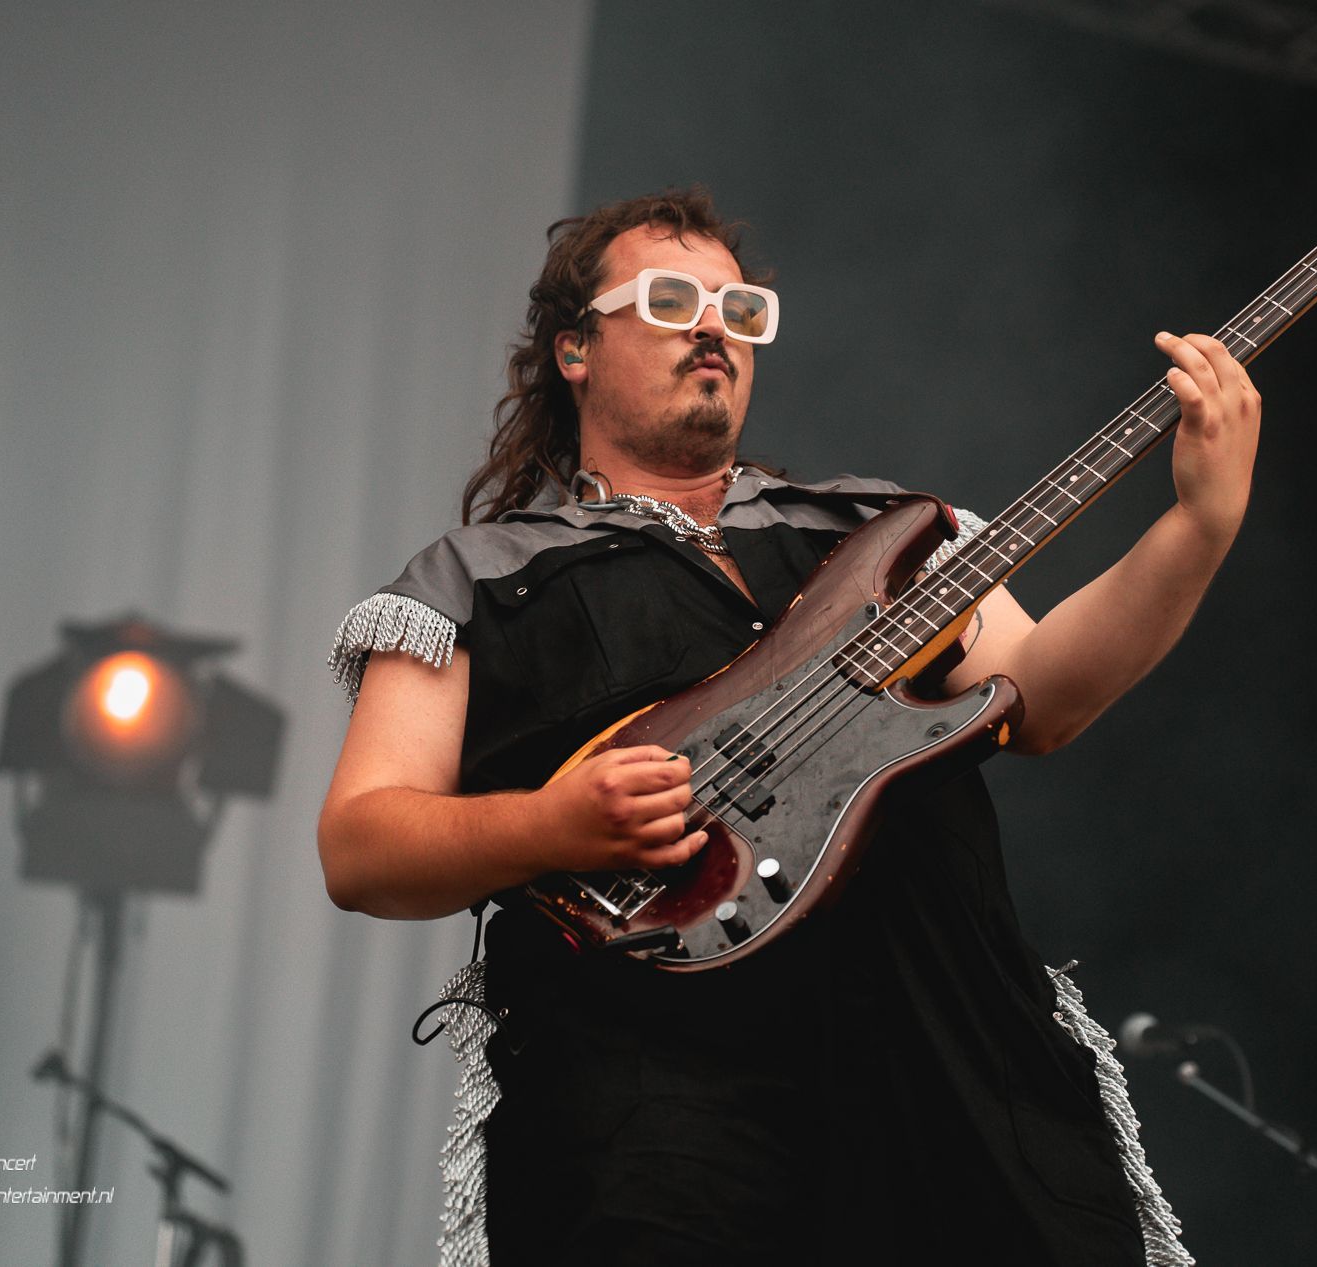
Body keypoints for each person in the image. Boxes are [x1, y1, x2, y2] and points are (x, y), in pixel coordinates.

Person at [319, 187, 1259, 1267]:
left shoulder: (877, 529)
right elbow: (361, 844)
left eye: (739, 310)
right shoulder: (477, 576)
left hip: (945, 1062)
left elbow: (1042, 697)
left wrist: (1199, 525)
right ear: (574, 348)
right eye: (669, 301)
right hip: (657, 1103)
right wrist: (551, 824)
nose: (712, 329)